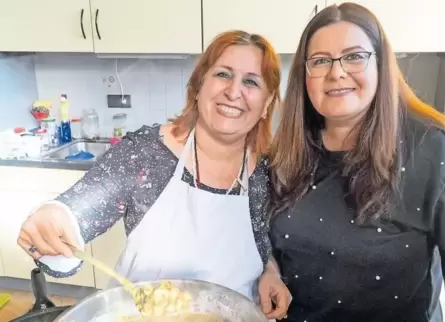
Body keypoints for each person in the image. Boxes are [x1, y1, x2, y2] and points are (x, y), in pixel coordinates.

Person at [17, 30, 290, 317]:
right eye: (222, 74)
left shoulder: (265, 168)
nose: (234, 92)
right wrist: (55, 219)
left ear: (266, 103)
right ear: (199, 86)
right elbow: (79, 210)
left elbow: (261, 241)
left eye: (251, 81)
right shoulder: (146, 154)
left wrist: (270, 271)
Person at [267, 3, 445, 322]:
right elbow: (271, 239)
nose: (336, 72)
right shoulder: (290, 150)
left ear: (382, 65)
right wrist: (269, 268)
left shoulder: (435, 153)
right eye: (321, 60)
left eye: (354, 56)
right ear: (305, 76)